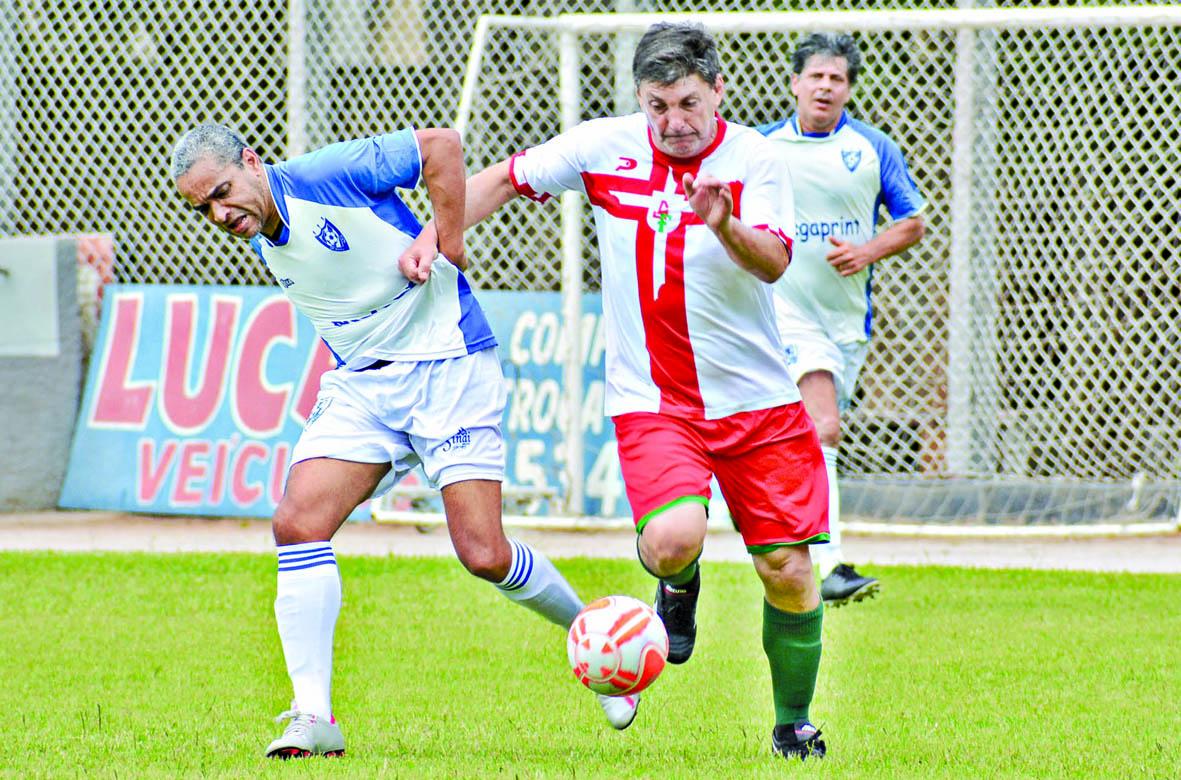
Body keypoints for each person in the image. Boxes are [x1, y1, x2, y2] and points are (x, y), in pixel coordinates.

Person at [410, 22, 829, 761]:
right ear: (639, 99)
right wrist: (430, 235)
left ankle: (792, 722)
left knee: (789, 573)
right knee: (670, 542)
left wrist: (722, 222)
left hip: (759, 404)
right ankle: (678, 583)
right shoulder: (605, 146)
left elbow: (770, 264)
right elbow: (506, 177)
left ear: (718, 92)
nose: (671, 122)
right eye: (656, 104)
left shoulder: (756, 160)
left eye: (687, 104)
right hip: (654, 401)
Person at [169, 124, 640, 757]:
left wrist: (446, 244)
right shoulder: (260, 225)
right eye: (203, 208)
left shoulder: (323, 175)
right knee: (298, 523)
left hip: (449, 366)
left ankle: (596, 640)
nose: (220, 213)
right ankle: (314, 717)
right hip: (364, 389)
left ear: (252, 163)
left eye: (223, 191)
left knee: (484, 553)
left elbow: (440, 147)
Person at [758, 33, 927, 607]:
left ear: (848, 88)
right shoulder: (762, 147)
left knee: (806, 435)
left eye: (837, 78)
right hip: (783, 312)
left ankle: (780, 536)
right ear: (795, 83)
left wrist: (866, 252)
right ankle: (829, 563)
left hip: (846, 322)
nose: (826, 86)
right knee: (823, 424)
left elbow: (913, 221)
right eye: (816, 76)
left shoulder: (871, 147)